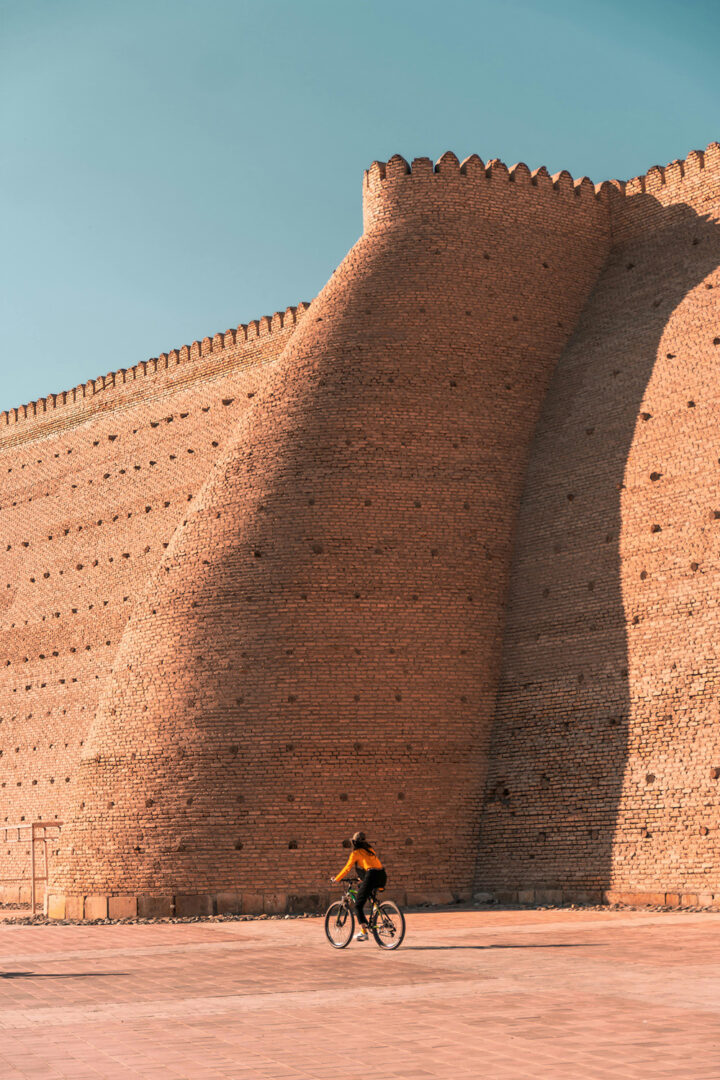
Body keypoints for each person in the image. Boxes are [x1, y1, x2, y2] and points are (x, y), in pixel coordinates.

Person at [332, 831, 387, 941]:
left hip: (372, 875)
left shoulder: (356, 853)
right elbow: (371, 865)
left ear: (354, 842)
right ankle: (377, 909)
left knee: (357, 906)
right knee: (367, 891)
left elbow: (347, 868)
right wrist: (362, 879)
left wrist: (337, 878)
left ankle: (364, 932)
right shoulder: (370, 850)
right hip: (382, 875)